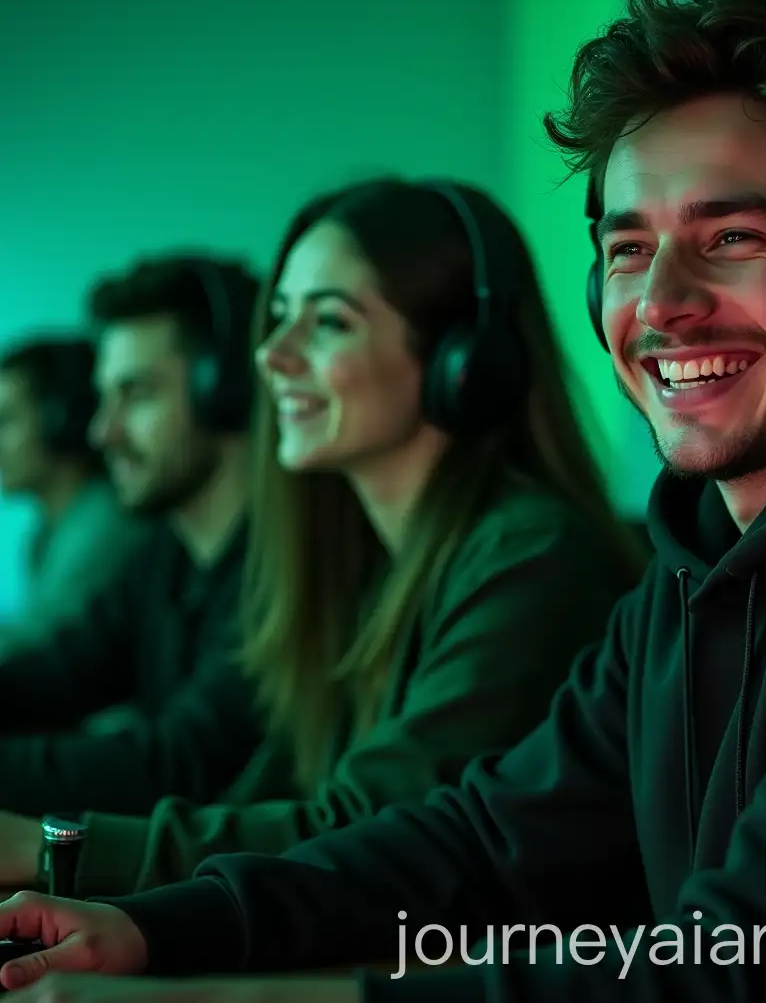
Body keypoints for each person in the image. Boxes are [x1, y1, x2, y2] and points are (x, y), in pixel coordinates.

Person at [0, 0, 766, 998]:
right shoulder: (691, 571)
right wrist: (155, 933)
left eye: (732, 238)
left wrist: (233, 998)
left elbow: (753, 967)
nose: (658, 300)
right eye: (626, 249)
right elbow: (487, 839)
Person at [0, 178, 646, 899]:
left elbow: (370, 829)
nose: (271, 355)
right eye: (278, 319)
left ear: (462, 361)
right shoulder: (366, 570)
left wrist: (54, 848)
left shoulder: (531, 558)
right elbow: (263, 805)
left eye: (329, 322)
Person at [0, 253, 265, 830]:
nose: (103, 431)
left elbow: (177, 764)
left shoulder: (286, 568)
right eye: (104, 399)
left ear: (225, 390)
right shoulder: (162, 558)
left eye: (137, 394)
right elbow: (55, 674)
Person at [0, 337, 149, 647]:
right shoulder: (43, 534)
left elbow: (37, 650)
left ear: (60, 421)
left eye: (6, 421)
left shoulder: (103, 526)